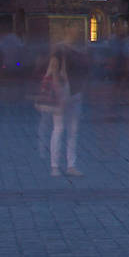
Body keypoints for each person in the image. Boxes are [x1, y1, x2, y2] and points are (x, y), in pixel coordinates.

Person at [38, 44, 85, 177]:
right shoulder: (59, 54)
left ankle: (69, 165)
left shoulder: (73, 53)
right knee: (60, 129)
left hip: (74, 94)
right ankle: (56, 166)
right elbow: (55, 77)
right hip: (64, 95)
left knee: (70, 131)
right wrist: (60, 96)